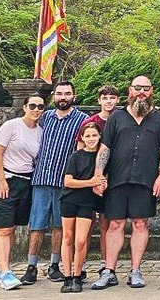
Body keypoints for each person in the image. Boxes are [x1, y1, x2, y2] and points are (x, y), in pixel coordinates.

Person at [91, 75, 160, 290]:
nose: (141, 92)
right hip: (117, 179)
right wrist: (98, 176)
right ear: (130, 90)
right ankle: (109, 271)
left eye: (145, 88)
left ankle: (135, 270)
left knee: (140, 223)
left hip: (145, 180)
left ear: (151, 90)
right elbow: (105, 149)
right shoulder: (116, 118)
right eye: (137, 88)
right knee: (115, 224)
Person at [26, 81, 88, 285]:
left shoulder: (82, 120)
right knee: (37, 225)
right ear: (54, 96)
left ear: (74, 96)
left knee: (59, 226)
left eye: (67, 93)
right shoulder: (45, 117)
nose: (63, 97)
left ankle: (55, 265)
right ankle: (31, 266)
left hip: (65, 182)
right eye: (59, 93)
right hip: (42, 178)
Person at [0, 95, 44, 291]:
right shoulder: (11, 126)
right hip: (5, 179)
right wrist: (2, 180)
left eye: (40, 106)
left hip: (25, 181)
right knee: (3, 228)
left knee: (12, 227)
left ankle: (0, 268)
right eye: (33, 106)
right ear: (25, 106)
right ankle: (5, 273)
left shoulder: (40, 132)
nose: (36, 109)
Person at [76, 84, 120, 277]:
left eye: (112, 97)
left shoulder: (121, 119)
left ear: (118, 100)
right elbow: (80, 151)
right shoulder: (91, 122)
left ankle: (105, 263)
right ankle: (81, 264)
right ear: (99, 100)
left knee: (106, 222)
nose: (108, 101)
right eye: (105, 98)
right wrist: (89, 178)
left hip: (112, 177)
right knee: (85, 223)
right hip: (89, 179)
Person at [60, 122, 107, 293]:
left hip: (87, 202)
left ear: (99, 136)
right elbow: (68, 181)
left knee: (81, 240)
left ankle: (77, 274)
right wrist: (90, 183)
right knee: (67, 237)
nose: (91, 139)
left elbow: (103, 179)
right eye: (87, 136)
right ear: (82, 138)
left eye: (94, 135)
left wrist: (101, 184)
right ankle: (67, 276)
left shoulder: (102, 158)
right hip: (69, 199)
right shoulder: (76, 156)